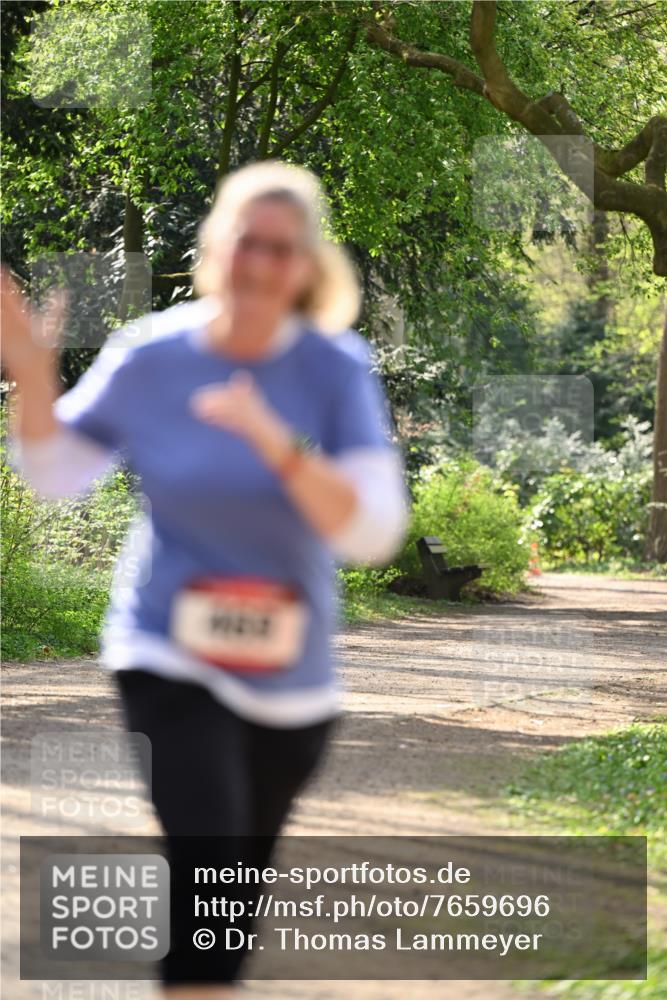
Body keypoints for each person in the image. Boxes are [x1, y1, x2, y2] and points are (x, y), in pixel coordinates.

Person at [1, 159, 408, 996]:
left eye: (281, 249)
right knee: (206, 868)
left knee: (230, 901)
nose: (259, 264)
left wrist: (273, 443)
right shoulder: (151, 356)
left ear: (305, 266)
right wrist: (34, 378)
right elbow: (55, 473)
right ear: (212, 249)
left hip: (291, 680)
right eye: (244, 242)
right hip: (166, 649)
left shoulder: (333, 367)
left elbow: (371, 530)